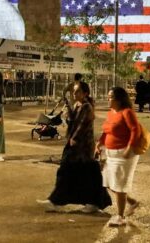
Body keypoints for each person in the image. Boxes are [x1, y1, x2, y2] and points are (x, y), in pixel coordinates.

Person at [38, 81, 111, 213]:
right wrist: (69, 111)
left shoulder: (87, 107)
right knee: (83, 174)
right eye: (73, 91)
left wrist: (74, 138)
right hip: (77, 146)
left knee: (70, 171)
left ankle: (57, 201)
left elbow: (82, 125)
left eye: (77, 91)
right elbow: (73, 122)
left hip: (82, 147)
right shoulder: (78, 105)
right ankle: (62, 201)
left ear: (85, 93)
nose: (74, 94)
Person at [96, 87, 141, 227]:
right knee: (110, 183)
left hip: (124, 154)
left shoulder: (127, 112)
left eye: (110, 97)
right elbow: (106, 131)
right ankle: (132, 202)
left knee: (119, 185)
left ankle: (120, 217)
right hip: (110, 154)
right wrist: (99, 143)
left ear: (119, 99)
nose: (108, 99)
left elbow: (135, 130)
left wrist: (129, 147)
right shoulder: (111, 113)